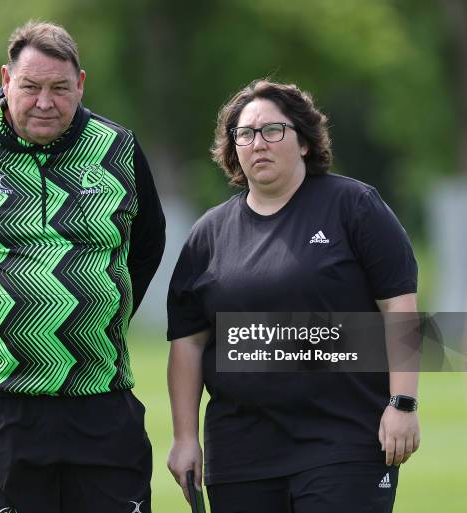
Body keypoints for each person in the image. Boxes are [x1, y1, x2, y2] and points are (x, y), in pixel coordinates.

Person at [0, 20, 165, 513]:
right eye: (31, 87)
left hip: (101, 397)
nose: (45, 102)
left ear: (81, 84)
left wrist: (100, 315)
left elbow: (147, 246)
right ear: (6, 81)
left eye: (60, 88)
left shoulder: (117, 149)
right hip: (3, 403)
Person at [166, 79, 419, 513]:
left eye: (272, 131)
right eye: (244, 134)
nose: (257, 143)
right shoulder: (208, 234)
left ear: (303, 141)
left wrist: (403, 403)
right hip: (241, 454)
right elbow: (188, 342)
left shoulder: (354, 206)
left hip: (344, 444)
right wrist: (185, 438)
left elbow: (400, 306)